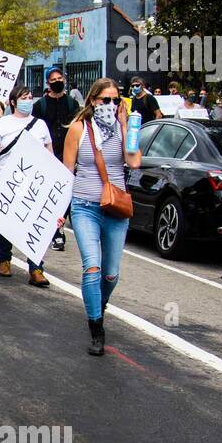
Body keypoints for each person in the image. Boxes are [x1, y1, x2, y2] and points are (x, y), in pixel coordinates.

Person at [62, 78, 142, 355]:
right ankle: (96, 328)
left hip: (116, 208)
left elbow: (133, 162)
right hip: (84, 206)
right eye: (104, 100)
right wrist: (60, 212)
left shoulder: (126, 129)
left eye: (114, 100)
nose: (110, 105)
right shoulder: (78, 129)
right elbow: (66, 172)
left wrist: (124, 126)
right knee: (92, 267)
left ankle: (99, 301)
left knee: (110, 274)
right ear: (92, 101)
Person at [0, 84, 53, 287]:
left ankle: (36, 268)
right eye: (23, 97)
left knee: (35, 224)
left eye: (30, 97)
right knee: (6, 225)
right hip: (7, 180)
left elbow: (49, 153)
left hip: (34, 183)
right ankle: (4, 260)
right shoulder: (2, 124)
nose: (28, 100)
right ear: (13, 102)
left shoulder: (40, 125)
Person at [33, 66, 80, 251]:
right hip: (47, 156)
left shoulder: (71, 104)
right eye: (53, 80)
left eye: (60, 78)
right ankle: (55, 232)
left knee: (67, 194)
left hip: (67, 155)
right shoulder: (40, 106)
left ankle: (58, 225)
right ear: (47, 83)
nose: (58, 82)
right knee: (50, 194)